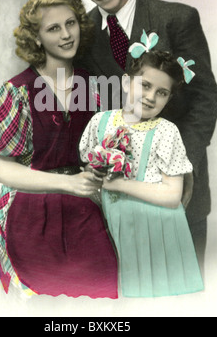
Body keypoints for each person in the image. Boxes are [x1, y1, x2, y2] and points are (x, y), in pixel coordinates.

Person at [61, 0, 217, 272]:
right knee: (126, 295)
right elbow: (88, 110)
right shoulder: (83, 36)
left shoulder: (176, 19)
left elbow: (205, 98)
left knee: (185, 297)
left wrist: (180, 168)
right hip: (117, 198)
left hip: (179, 192)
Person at [0, 0, 118, 299]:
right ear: (37, 37)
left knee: (101, 292)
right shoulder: (17, 91)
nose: (65, 35)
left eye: (70, 23)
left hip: (87, 212)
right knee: (45, 302)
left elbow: (110, 150)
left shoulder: (98, 87)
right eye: (53, 28)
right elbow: (4, 171)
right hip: (31, 215)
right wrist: (67, 184)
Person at [79, 38, 204, 297]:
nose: (150, 97)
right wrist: (96, 175)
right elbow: (88, 171)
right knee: (115, 298)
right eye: (145, 85)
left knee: (152, 301)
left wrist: (119, 184)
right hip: (112, 225)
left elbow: (171, 197)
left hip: (157, 229)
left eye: (162, 92)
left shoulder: (166, 131)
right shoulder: (100, 121)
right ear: (126, 82)